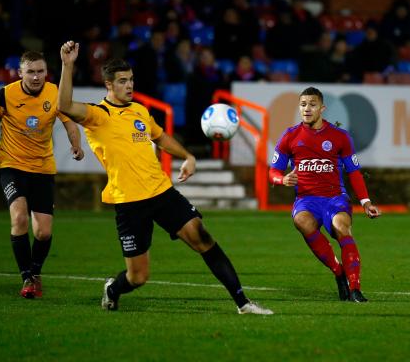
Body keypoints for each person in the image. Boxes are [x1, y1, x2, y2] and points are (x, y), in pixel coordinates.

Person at [57, 40, 272, 315]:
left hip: (161, 192)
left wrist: (188, 157)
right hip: (130, 202)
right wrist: (67, 65)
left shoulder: (139, 111)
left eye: (131, 80)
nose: (129, 85)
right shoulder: (98, 115)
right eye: (122, 81)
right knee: (138, 277)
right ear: (108, 85)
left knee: (202, 237)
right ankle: (113, 289)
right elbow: (63, 104)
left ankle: (243, 303)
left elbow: (159, 137)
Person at [0, 50, 84, 298]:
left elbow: (70, 123)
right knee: (19, 218)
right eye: (30, 72)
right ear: (20, 73)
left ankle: (35, 272)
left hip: (42, 168)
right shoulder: (5, 95)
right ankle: (27, 278)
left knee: (43, 232)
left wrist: (76, 146)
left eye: (40, 71)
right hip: (12, 165)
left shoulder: (54, 93)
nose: (35, 77)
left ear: (46, 73)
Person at [269, 87, 380, 303]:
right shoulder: (290, 136)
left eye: (312, 104)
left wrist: (366, 202)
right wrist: (281, 179)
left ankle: (355, 288)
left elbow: (354, 172)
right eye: (303, 105)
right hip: (306, 200)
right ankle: (338, 271)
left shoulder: (340, 137)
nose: (307, 109)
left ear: (322, 108)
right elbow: (273, 170)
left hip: (334, 198)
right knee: (302, 221)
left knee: (342, 228)